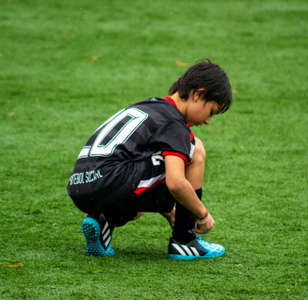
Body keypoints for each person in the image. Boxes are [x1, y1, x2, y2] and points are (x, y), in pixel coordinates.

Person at [67, 59, 233, 260]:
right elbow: (176, 184)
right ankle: (184, 240)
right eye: (211, 112)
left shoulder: (150, 106)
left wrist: (167, 209)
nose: (207, 121)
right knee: (195, 148)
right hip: (111, 180)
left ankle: (103, 220)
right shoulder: (174, 123)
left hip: (79, 185)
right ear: (197, 94)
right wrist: (201, 214)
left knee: (143, 184)